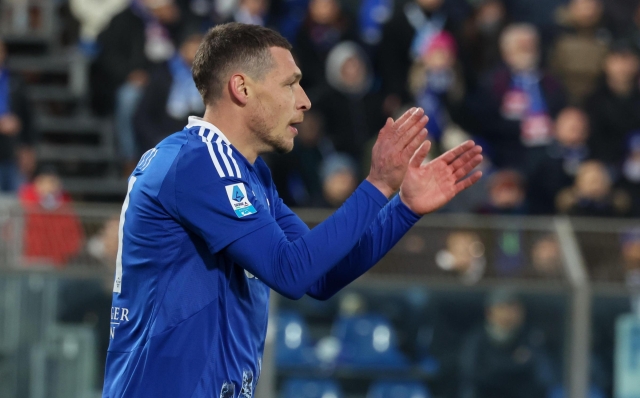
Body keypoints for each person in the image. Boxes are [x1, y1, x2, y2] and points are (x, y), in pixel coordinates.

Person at [102, 22, 483, 398]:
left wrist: (403, 208)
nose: (304, 100)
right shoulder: (196, 162)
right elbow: (290, 271)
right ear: (242, 88)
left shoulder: (248, 174)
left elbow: (320, 276)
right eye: (289, 84)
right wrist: (378, 185)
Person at [0, 39, 35, 193]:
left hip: (13, 152)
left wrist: (28, 147)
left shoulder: (15, 80)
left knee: (15, 209)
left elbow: (27, 116)